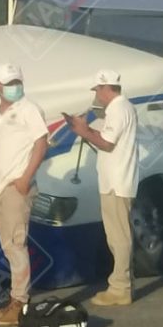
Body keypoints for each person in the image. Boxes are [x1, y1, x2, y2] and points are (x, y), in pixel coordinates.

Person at [0, 63, 48, 327]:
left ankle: (19, 301)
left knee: (15, 245)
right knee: (8, 245)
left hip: (15, 185)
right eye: (8, 83)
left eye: (16, 82)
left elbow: (41, 142)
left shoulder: (29, 109)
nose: (14, 87)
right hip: (0, 187)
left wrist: (25, 178)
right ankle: (15, 299)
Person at [68, 69, 138, 307]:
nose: (96, 94)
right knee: (117, 234)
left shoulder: (118, 109)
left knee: (119, 236)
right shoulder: (120, 108)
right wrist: (87, 131)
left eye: (97, 89)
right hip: (115, 180)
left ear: (106, 88)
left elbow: (107, 143)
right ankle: (122, 283)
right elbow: (108, 140)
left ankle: (121, 287)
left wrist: (82, 130)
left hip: (117, 182)